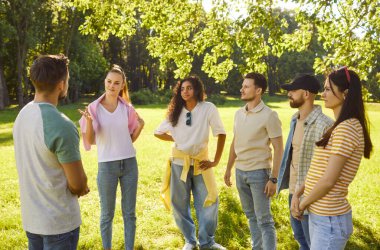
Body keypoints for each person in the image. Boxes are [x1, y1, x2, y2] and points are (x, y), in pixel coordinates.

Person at [291, 67, 373, 249]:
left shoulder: (347, 128)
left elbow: (328, 180)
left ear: (345, 94)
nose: (322, 93)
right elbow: (319, 170)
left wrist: (302, 203)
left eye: (328, 89)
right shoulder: (339, 126)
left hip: (329, 221)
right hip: (321, 216)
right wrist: (298, 192)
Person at [13, 54, 89, 250]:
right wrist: (83, 187)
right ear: (61, 85)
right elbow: (78, 183)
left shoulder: (22, 115)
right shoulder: (62, 125)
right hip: (59, 224)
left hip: (32, 220)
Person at [154, 76, 226, 250]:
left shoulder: (208, 108)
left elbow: (221, 133)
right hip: (179, 163)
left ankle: (207, 241)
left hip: (201, 163)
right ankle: (190, 240)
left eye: (189, 88)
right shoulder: (176, 111)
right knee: (179, 203)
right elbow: (158, 132)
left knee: (209, 200)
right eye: (182, 88)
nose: (185, 91)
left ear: (197, 90)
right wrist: (177, 137)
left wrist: (215, 160)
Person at [79, 65, 144, 250]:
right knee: (107, 215)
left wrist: (140, 127)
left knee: (129, 214)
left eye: (116, 83)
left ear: (122, 85)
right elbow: (90, 141)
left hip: (130, 164)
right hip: (107, 166)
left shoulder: (127, 108)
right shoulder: (93, 108)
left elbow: (129, 139)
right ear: (105, 82)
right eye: (109, 82)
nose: (112, 86)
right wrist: (90, 122)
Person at [224, 72, 283, 250]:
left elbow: (279, 148)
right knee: (251, 217)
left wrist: (273, 179)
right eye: (243, 86)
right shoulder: (238, 113)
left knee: (264, 221)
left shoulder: (269, 115)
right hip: (240, 172)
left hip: (259, 174)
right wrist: (228, 169)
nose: (242, 89)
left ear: (258, 90)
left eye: (246, 86)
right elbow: (236, 141)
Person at [277, 74, 333, 249]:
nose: (289, 94)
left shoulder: (326, 126)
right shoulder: (295, 119)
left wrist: (305, 197)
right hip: (293, 192)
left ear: (307, 94)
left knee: (312, 243)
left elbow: (327, 170)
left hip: (311, 197)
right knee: (301, 239)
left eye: (293, 90)